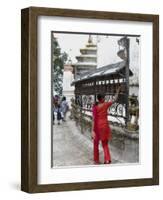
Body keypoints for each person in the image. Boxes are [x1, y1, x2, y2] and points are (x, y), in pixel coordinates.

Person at [92, 87, 121, 164]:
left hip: (97, 127)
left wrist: (92, 131)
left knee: (96, 144)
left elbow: (94, 119)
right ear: (102, 98)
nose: (105, 98)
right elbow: (115, 99)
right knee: (105, 144)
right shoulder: (105, 105)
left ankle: (96, 159)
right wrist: (117, 91)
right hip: (105, 126)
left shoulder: (95, 107)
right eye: (104, 97)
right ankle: (107, 159)